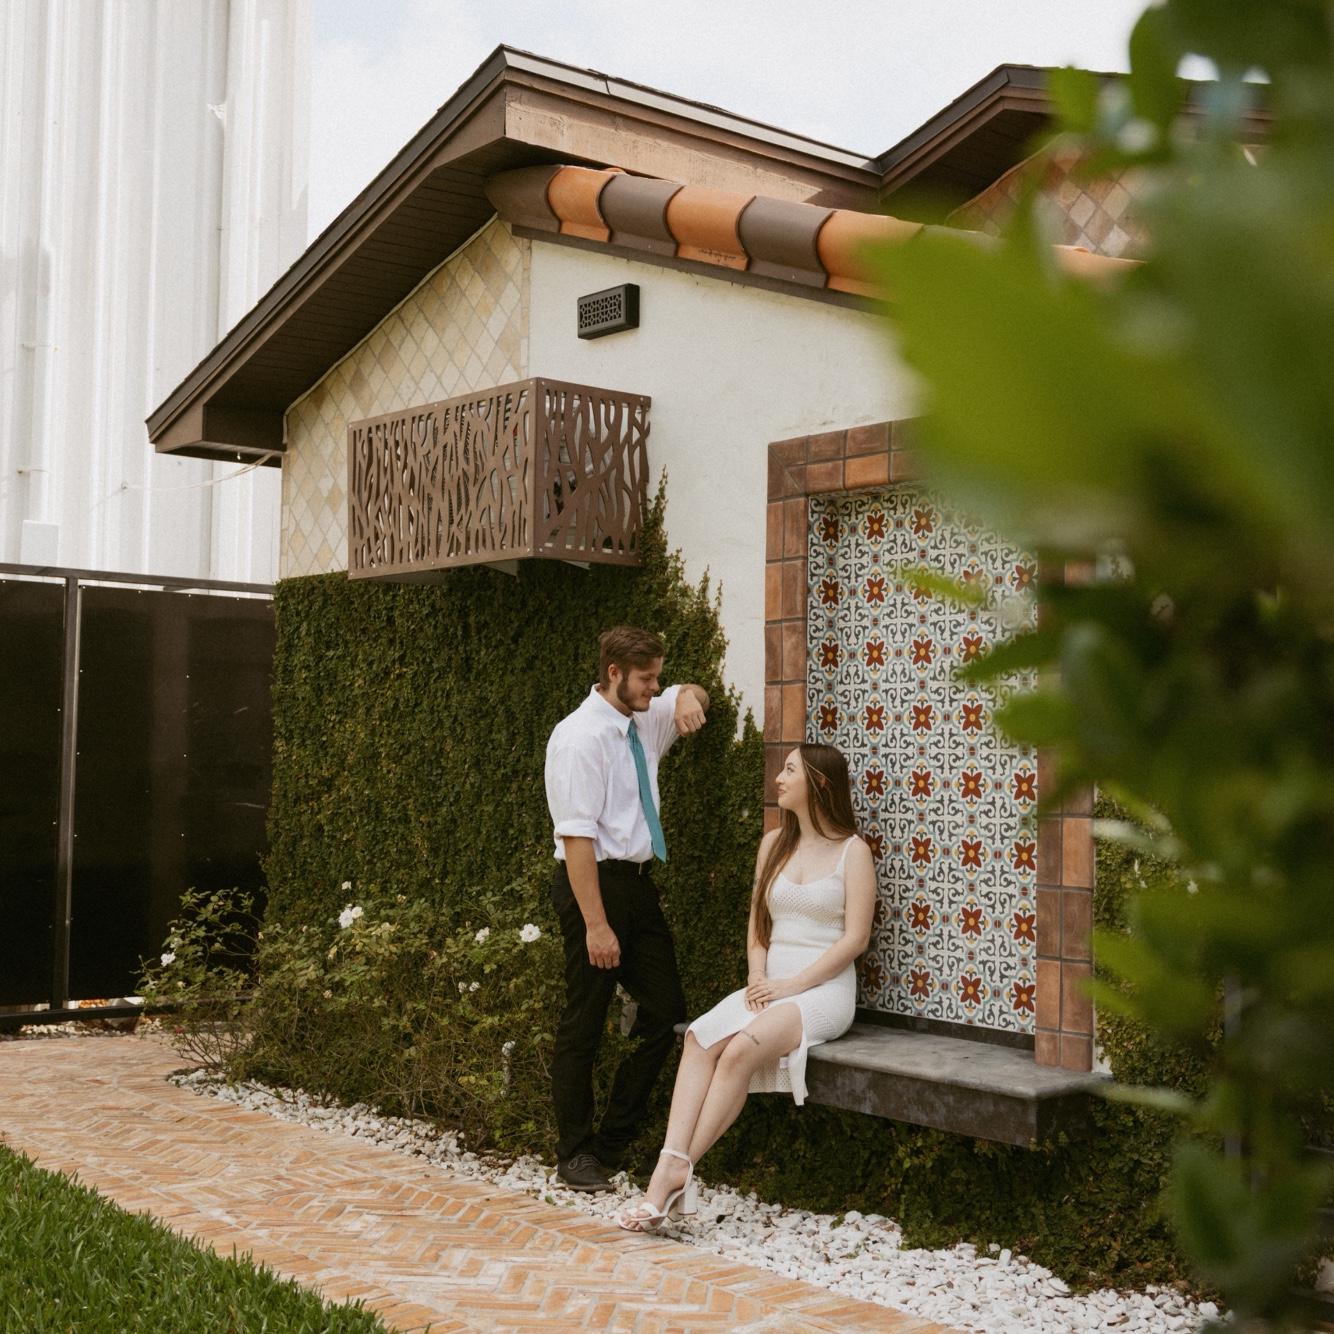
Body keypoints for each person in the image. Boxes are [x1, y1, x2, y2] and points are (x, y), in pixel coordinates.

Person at [615, 741, 875, 1231]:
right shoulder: (772, 844)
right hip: (770, 984)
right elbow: (759, 924)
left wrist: (793, 985)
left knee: (738, 1051)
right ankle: (672, 1167)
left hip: (823, 991)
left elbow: (855, 939)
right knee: (699, 1038)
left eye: (790, 770)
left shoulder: (852, 852)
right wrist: (758, 975)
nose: (779, 778)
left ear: (819, 783)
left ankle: (673, 1173)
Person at [544, 626, 711, 1192]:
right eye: (647, 679)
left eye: (658, 678)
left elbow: (694, 694)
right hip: (593, 885)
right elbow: (576, 839)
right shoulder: (579, 738)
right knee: (585, 1019)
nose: (654, 688)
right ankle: (574, 1154)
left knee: (667, 1014)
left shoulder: (644, 717)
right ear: (613, 673)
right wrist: (596, 925)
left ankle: (612, 1144)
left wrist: (686, 696)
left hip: (639, 886)